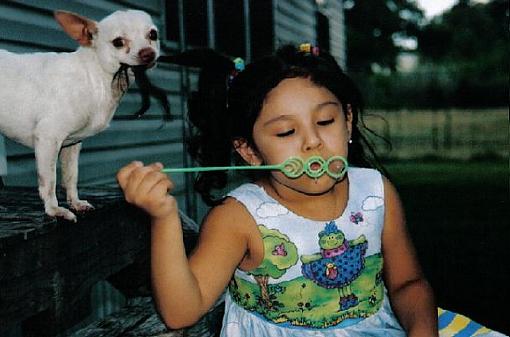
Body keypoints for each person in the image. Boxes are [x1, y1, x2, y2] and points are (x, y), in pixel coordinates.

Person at [116, 45, 500, 337]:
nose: (312, 142)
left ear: (348, 121)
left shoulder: (375, 193)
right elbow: (182, 311)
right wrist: (163, 217)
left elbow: (408, 284)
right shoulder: (239, 217)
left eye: (325, 121)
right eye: (286, 132)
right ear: (249, 150)